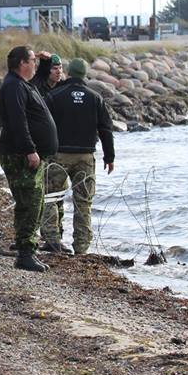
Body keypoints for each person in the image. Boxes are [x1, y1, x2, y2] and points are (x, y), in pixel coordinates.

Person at [40, 58, 115, 255]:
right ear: (84, 74)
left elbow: (44, 125)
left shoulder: (54, 95)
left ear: (69, 73)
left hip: (59, 154)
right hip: (86, 156)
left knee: (50, 196)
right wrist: (109, 156)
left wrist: (41, 151)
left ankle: (52, 239)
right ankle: (81, 246)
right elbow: (106, 128)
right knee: (83, 202)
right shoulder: (95, 97)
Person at [0, 45, 58, 272]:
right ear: (22, 63)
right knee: (30, 204)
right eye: (32, 60)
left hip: (28, 154)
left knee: (34, 202)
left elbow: (40, 80)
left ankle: (27, 249)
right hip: (20, 155)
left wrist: (45, 61)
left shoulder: (23, 84)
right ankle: (25, 253)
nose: (34, 63)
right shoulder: (13, 87)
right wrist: (30, 149)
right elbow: (17, 121)